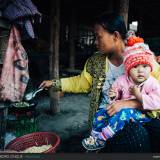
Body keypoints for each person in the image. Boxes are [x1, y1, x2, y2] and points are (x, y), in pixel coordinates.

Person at [39, 12, 160, 152]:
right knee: (137, 136)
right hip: (109, 116)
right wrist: (55, 83)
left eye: (98, 36)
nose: (95, 42)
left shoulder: (142, 58)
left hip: (143, 113)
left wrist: (129, 103)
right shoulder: (96, 61)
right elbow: (81, 82)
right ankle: (99, 140)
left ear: (115, 36)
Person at [82, 40, 160, 151]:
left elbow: (157, 101)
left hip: (143, 115)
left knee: (124, 113)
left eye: (144, 66)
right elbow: (116, 93)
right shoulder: (122, 79)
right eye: (135, 67)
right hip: (122, 111)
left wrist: (139, 96)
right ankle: (94, 138)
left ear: (150, 68)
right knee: (101, 113)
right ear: (128, 69)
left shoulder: (152, 83)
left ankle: (102, 138)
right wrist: (114, 95)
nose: (141, 71)